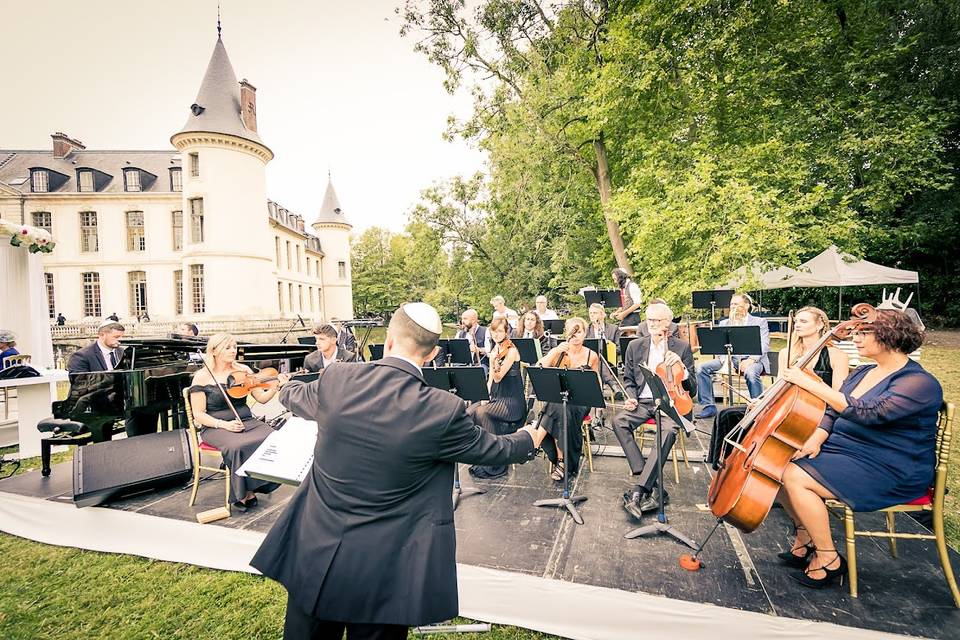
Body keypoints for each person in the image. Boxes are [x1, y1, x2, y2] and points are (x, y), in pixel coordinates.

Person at [250, 303, 547, 639]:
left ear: (388, 339)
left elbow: (294, 395)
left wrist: (281, 384)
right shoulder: (441, 409)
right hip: (385, 569)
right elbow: (495, 448)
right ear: (433, 352)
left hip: (317, 549)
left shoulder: (336, 378)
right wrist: (530, 438)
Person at [775, 309, 942, 589]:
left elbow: (870, 413)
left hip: (890, 466)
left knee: (794, 476)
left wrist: (811, 383)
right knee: (775, 465)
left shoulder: (919, 383)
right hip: (849, 452)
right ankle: (807, 536)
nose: (856, 337)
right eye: (857, 331)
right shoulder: (864, 372)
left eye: (865, 332)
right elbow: (833, 410)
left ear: (891, 336)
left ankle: (829, 558)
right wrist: (817, 436)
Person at [613, 303, 696, 518]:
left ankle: (638, 491)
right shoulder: (635, 346)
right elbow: (629, 378)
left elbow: (693, 389)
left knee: (668, 432)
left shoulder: (681, 348)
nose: (652, 324)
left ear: (667, 323)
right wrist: (631, 397)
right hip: (643, 403)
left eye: (657, 320)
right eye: (649, 320)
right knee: (618, 422)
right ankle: (653, 485)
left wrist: (684, 371)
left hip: (671, 405)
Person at [188, 333, 286, 511]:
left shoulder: (243, 370)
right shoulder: (202, 377)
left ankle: (255, 485)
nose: (233, 350)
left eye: (234, 346)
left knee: (274, 437)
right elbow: (199, 414)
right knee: (238, 446)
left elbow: (262, 398)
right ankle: (244, 493)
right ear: (214, 351)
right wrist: (224, 425)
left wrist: (275, 386)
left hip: (246, 420)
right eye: (228, 347)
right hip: (215, 425)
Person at [67, 321, 159, 436]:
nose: (120, 340)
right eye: (116, 337)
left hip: (117, 400)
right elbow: (80, 385)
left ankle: (142, 444)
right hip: (91, 402)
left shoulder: (122, 352)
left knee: (148, 408)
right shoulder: (81, 356)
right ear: (102, 335)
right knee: (131, 410)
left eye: (121, 336)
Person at [536, 317, 600, 481]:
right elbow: (539, 367)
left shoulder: (591, 356)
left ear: (585, 334)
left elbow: (596, 383)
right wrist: (555, 351)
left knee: (557, 407)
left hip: (581, 401)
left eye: (579, 332)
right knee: (559, 406)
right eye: (573, 332)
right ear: (567, 333)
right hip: (560, 398)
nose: (576, 335)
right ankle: (563, 462)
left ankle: (537, 439)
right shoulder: (560, 350)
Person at [467, 318, 527, 479]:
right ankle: (482, 455)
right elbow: (490, 381)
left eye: (500, 331)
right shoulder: (496, 348)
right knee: (470, 411)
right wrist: (484, 396)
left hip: (512, 402)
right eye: (493, 331)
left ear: (506, 332)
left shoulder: (511, 351)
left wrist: (493, 360)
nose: (496, 334)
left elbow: (498, 377)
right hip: (497, 398)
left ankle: (495, 463)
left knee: (483, 413)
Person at [695, 293, 770, 418]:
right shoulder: (725, 322)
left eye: (736, 304)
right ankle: (708, 406)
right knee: (702, 368)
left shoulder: (759, 322)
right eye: (731, 304)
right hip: (729, 358)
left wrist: (751, 360)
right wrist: (726, 361)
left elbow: (764, 344)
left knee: (751, 373)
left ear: (746, 305)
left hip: (753, 360)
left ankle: (757, 408)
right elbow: (721, 345)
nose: (733, 307)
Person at [778, 306, 849, 391]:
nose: (797, 325)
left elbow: (839, 396)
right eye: (796, 322)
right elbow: (778, 385)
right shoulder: (786, 353)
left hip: (824, 404)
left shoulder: (837, 356)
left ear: (819, 325)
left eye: (803, 321)